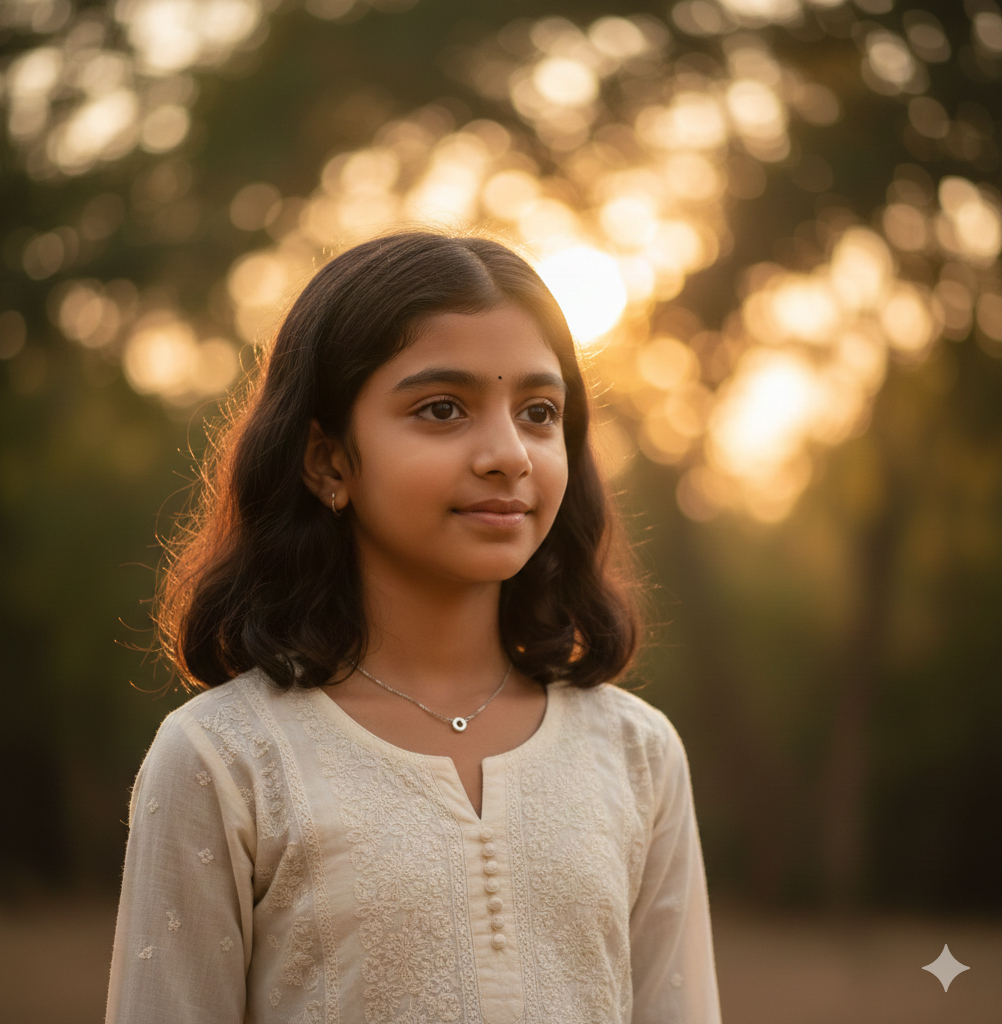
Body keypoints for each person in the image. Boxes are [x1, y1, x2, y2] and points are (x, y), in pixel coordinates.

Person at [105, 231, 722, 1024]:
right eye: (442, 409)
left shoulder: (637, 756)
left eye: (540, 412)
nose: (509, 454)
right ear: (328, 461)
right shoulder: (226, 760)